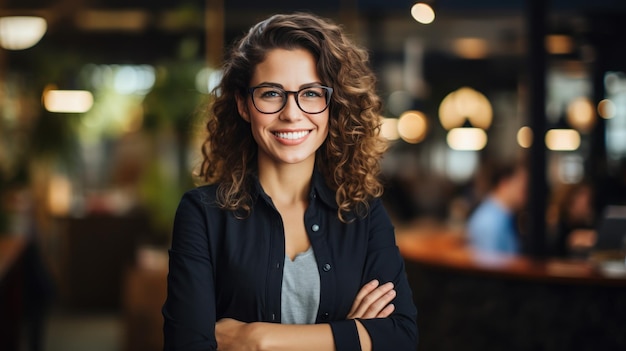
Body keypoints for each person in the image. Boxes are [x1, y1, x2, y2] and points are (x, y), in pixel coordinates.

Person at [162, 13, 418, 351]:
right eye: (271, 93)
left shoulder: (363, 214)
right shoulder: (203, 214)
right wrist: (349, 335)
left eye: (311, 93)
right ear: (243, 105)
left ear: (332, 104)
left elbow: (400, 337)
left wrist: (258, 339)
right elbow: (187, 345)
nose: (292, 113)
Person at [466, 158, 528, 255]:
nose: (525, 195)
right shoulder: (490, 221)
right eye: (522, 189)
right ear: (504, 184)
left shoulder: (504, 216)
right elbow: (491, 268)